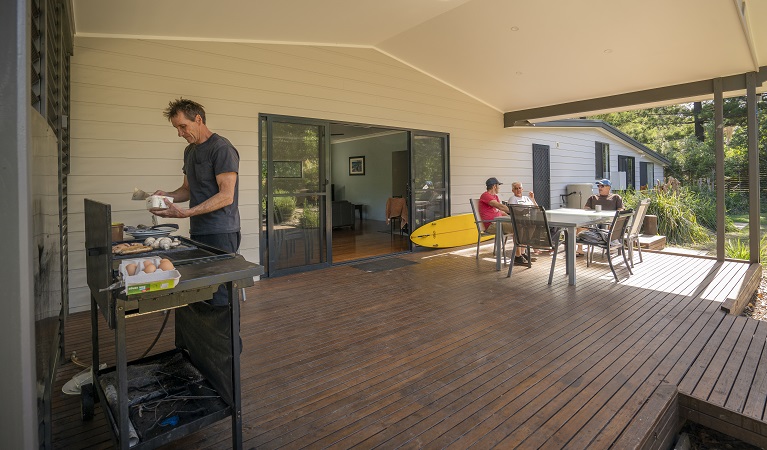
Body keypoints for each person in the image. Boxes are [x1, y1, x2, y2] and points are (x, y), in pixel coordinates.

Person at [151, 98, 241, 306]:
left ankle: (226, 339)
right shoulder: (189, 151)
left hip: (221, 232)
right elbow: (187, 190)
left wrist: (187, 213)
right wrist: (166, 197)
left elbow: (226, 196)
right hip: (198, 230)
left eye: (183, 126)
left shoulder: (221, 149)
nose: (180, 133)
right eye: (176, 128)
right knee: (200, 293)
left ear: (198, 119)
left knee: (220, 296)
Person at [479, 177, 532, 265]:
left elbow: (501, 211)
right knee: (518, 226)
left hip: (500, 222)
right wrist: (515, 211)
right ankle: (517, 256)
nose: (499, 188)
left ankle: (522, 252)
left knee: (524, 224)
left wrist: (512, 217)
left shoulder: (495, 196)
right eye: (498, 185)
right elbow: (500, 206)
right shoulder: (485, 195)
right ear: (494, 186)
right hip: (492, 224)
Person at [577, 178, 624, 255]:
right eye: (599, 186)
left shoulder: (616, 197)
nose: (599, 188)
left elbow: (621, 210)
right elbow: (586, 209)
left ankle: (611, 245)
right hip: (594, 223)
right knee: (580, 225)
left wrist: (613, 215)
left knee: (611, 225)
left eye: (602, 186)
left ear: (608, 187)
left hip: (609, 222)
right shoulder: (593, 198)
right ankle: (579, 250)